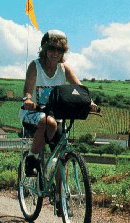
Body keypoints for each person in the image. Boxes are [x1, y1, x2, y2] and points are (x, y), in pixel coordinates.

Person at [20, 29, 97, 177]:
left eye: (60, 50)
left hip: (57, 115)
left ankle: (59, 197)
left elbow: (79, 89)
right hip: (33, 113)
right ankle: (32, 158)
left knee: (61, 157)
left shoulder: (64, 68)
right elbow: (27, 90)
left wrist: (90, 102)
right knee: (48, 122)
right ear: (44, 49)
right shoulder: (34, 66)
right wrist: (28, 99)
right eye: (52, 49)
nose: (56, 53)